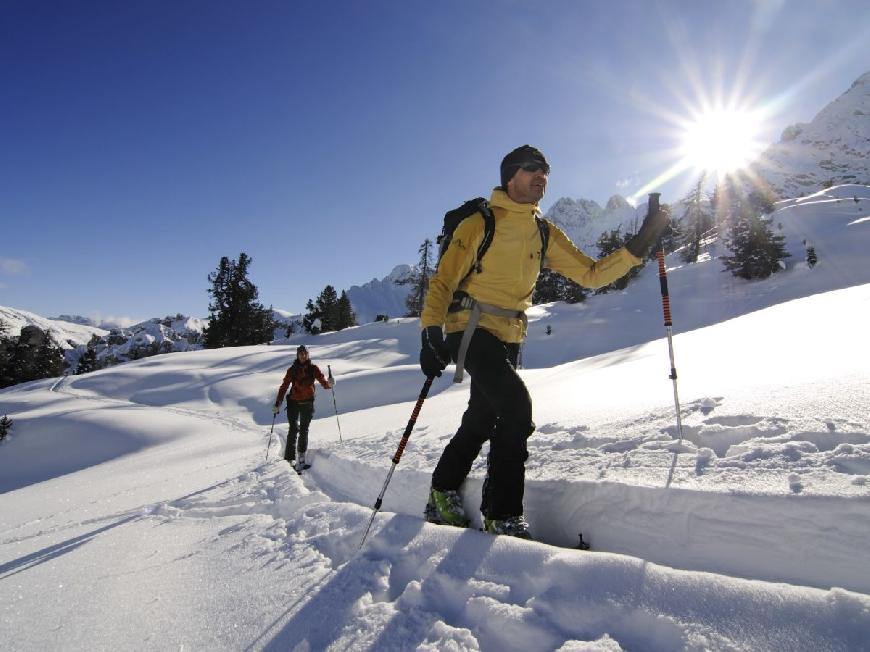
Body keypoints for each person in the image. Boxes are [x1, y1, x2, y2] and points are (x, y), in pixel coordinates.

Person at [419, 144, 668, 538]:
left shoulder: (543, 231)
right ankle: (502, 514)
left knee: (483, 417)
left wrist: (639, 245)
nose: (541, 176)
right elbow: (444, 280)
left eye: (545, 170)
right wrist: (431, 332)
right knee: (517, 409)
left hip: (510, 336)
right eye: (532, 168)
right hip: (470, 329)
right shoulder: (480, 223)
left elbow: (590, 274)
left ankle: (442, 490)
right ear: (510, 176)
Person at [272, 344, 333, 471]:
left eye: (305, 353)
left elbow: (324, 383)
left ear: (308, 354)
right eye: (301, 353)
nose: (303, 355)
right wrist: (278, 403)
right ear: (297, 355)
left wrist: (330, 384)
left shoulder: (313, 368)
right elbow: (284, 386)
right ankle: (289, 459)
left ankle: (301, 457)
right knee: (294, 429)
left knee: (304, 430)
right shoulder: (292, 370)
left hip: (307, 403)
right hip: (293, 403)